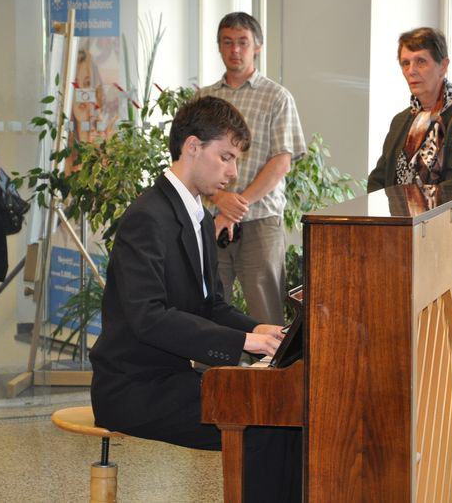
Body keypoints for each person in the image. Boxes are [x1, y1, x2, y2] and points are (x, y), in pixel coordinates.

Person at [89, 96, 300, 502]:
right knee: (264, 424)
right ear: (192, 147)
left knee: (283, 417)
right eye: (226, 157)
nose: (233, 172)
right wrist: (245, 342)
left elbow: (211, 306)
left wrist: (262, 330)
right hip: (133, 388)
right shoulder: (147, 217)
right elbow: (148, 317)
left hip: (169, 379)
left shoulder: (198, 217)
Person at [196, 12, 306, 326]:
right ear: (219, 46)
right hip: (211, 220)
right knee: (208, 309)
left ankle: (270, 364)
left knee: (265, 313)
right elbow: (191, 159)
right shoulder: (204, 98)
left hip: (261, 222)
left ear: (257, 46)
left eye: (243, 42)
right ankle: (214, 364)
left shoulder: (277, 97)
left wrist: (235, 206)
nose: (235, 50)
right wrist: (220, 200)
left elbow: (281, 162)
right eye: (227, 42)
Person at [367, 27, 452, 193]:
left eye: (421, 61)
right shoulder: (400, 120)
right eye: (405, 63)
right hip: (396, 211)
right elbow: (377, 181)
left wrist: (406, 206)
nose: (411, 71)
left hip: (448, 211)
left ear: (443, 66)